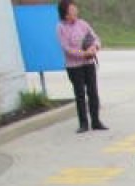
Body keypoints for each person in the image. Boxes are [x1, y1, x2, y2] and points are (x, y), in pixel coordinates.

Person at [56, 1, 107, 133]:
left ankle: (96, 121)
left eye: (75, 9)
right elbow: (66, 48)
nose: (75, 12)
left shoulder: (83, 24)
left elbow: (95, 38)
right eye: (72, 11)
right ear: (66, 14)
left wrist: (94, 47)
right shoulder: (61, 28)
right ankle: (83, 123)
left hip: (89, 63)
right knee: (80, 94)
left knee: (93, 92)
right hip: (74, 66)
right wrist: (83, 53)